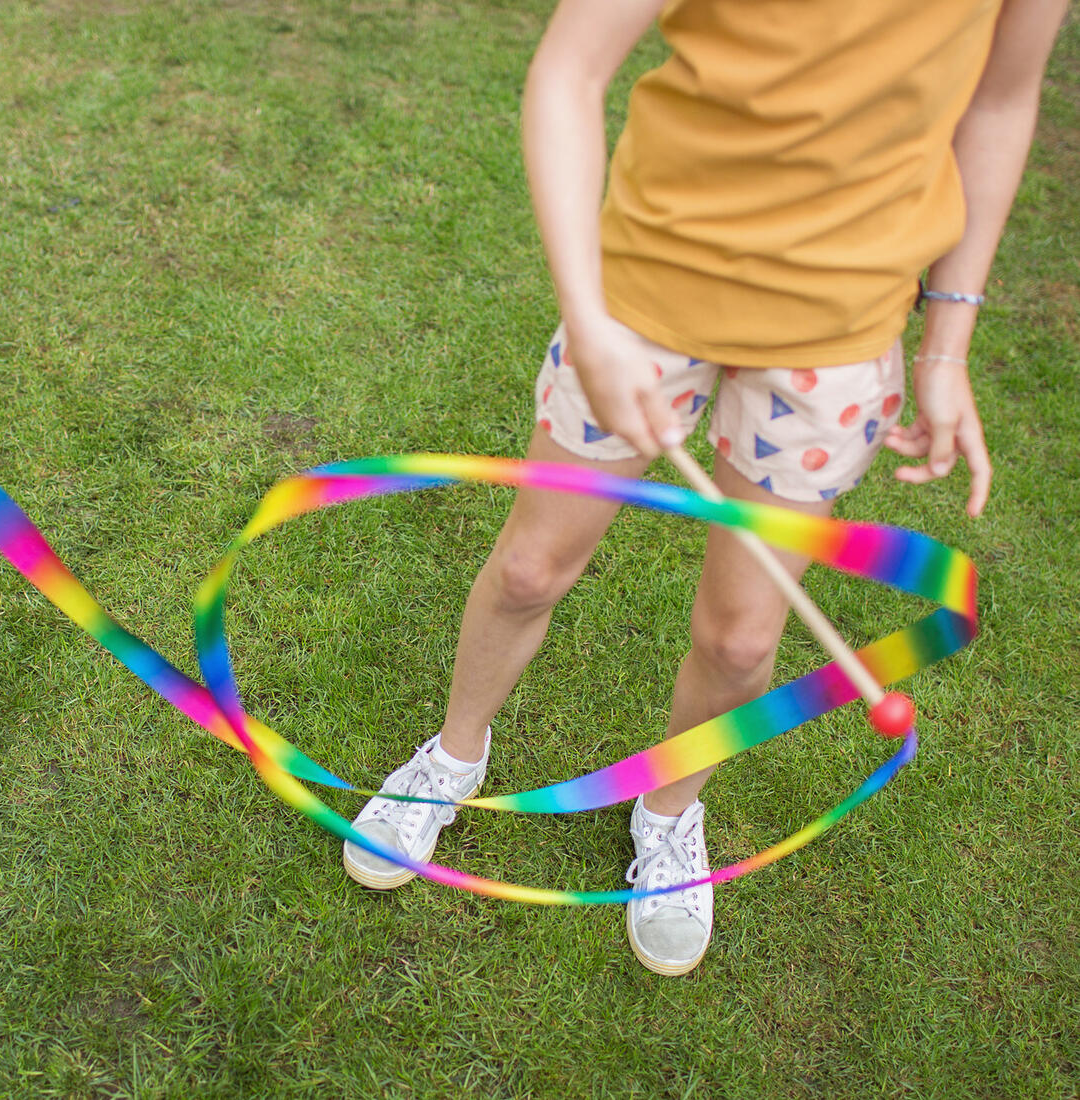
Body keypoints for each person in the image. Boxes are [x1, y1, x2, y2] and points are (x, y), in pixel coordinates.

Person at [344, 0, 1068, 975]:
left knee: (740, 641)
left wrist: (946, 345)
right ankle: (451, 758)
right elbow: (567, 69)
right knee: (527, 569)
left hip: (837, 336)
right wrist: (586, 317)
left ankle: (669, 811)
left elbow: (1000, 100)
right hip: (642, 299)